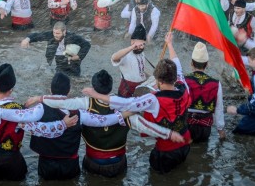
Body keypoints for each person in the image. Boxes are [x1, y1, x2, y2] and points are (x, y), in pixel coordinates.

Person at [28, 69, 184, 177]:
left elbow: (63, 103)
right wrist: (168, 134)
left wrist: (40, 98)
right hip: (117, 164)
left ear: (93, 87)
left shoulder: (85, 104)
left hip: (92, 163)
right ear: (110, 87)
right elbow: (148, 128)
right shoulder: (127, 109)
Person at [82, 33, 192, 174]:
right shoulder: (184, 87)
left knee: (160, 181)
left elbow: (128, 103)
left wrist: (96, 95)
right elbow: (177, 64)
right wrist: (170, 44)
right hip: (185, 142)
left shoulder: (154, 99)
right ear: (175, 77)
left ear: (159, 81)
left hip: (166, 150)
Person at [0, 64, 77, 180]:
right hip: (9, 162)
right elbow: (39, 128)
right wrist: (63, 124)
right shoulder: (20, 110)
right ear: (11, 89)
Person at [186, 42, 225, 143]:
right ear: (207, 64)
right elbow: (219, 108)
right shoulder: (216, 84)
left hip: (186, 127)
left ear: (191, 63)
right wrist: (220, 130)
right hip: (205, 129)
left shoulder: (184, 80)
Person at [21, 21, 90, 76]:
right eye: (54, 32)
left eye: (58, 33)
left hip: (73, 64)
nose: (55, 35)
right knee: (58, 79)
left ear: (64, 32)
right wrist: (27, 39)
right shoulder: (51, 35)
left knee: (75, 81)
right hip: (59, 62)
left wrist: (78, 56)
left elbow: (87, 44)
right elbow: (37, 35)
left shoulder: (72, 37)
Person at [111, 24, 149, 97]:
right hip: (127, 89)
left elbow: (140, 70)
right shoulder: (125, 54)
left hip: (140, 87)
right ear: (132, 42)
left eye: (142, 45)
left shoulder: (142, 54)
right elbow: (114, 58)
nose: (139, 47)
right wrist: (131, 48)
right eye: (137, 45)